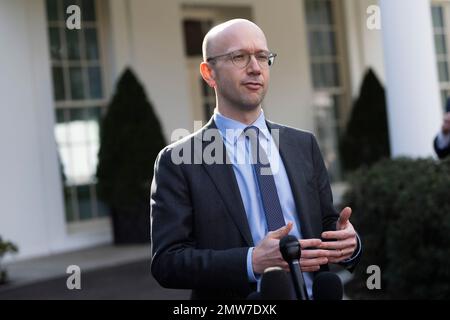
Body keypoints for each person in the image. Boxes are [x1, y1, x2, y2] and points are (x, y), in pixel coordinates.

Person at [150, 19, 361, 300]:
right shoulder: (178, 161)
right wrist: (251, 262)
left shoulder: (303, 145)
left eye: (262, 56)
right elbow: (168, 262)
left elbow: (326, 223)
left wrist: (348, 242)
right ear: (208, 72)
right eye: (239, 57)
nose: (255, 67)